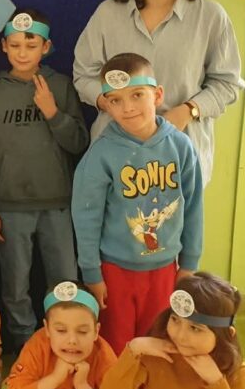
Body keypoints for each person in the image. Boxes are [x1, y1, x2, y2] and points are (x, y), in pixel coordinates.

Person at [73, 0, 245, 184]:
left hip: (181, 154)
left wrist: (188, 110)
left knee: (174, 213)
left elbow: (227, 83)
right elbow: (83, 74)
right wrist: (113, 104)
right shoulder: (107, 14)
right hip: (116, 154)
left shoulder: (210, 16)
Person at [72, 53, 203, 354]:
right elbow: (86, 217)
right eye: (115, 100)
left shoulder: (180, 146)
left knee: (158, 342)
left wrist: (189, 263)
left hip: (165, 269)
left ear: (157, 95)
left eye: (137, 95)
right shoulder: (101, 154)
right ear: (106, 105)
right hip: (115, 271)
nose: (128, 107)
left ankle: (149, 388)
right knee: (116, 348)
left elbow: (194, 206)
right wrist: (91, 272)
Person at [0, 9, 89, 349]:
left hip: (57, 204)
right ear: (4, 46)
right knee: (15, 285)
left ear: (46, 47)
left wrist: (52, 112)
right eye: (15, 45)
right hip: (10, 207)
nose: (22, 53)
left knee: (65, 282)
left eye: (31, 45)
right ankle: (26, 347)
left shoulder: (60, 85)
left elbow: (79, 143)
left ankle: (65, 346)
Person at [98, 273, 245, 389]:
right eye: (175, 320)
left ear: (227, 334)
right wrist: (133, 349)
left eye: (195, 328)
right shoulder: (157, 353)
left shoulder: (235, 369)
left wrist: (217, 382)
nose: (180, 335)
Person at [0, 281, 132, 389]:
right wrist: (54, 378)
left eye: (82, 331)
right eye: (61, 330)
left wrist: (83, 387)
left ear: (96, 331)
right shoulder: (37, 347)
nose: (72, 340)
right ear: (47, 329)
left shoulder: (105, 358)